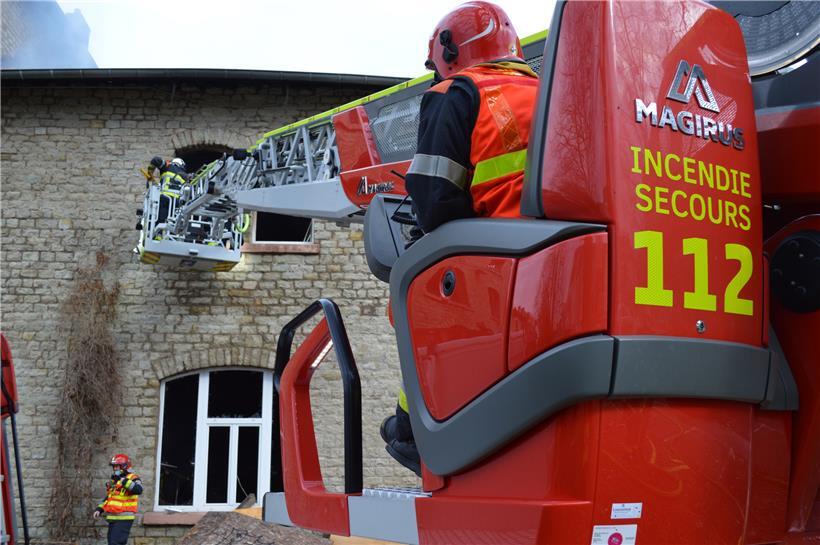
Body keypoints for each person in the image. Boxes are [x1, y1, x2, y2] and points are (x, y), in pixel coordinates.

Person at [380, 1, 539, 476]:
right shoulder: (550, 89)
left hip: (489, 255)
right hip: (552, 253)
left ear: (448, 51)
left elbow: (433, 196)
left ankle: (414, 431)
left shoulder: (458, 92)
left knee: (410, 300)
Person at [93, 453, 143, 545]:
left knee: (115, 543)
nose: (115, 469)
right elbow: (110, 498)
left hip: (124, 518)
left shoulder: (133, 478)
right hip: (113, 518)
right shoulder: (114, 481)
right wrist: (99, 509)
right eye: (114, 466)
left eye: (117, 466)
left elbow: (139, 490)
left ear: (124, 466)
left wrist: (124, 481)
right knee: (112, 543)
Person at [149, 156, 189, 235]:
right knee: (174, 221)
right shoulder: (186, 176)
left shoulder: (167, 166)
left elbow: (155, 160)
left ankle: (156, 235)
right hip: (177, 203)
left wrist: (149, 177)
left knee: (158, 217)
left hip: (164, 198)